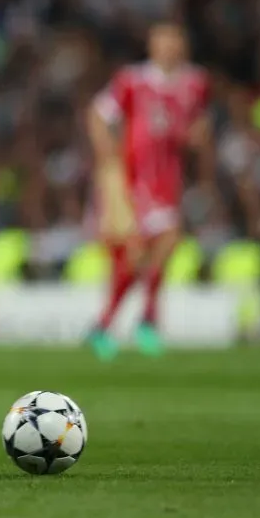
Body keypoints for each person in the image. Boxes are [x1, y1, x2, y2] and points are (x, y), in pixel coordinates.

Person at [87, 22, 212, 360]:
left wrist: (195, 139)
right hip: (135, 178)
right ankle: (143, 322)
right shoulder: (132, 81)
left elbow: (196, 126)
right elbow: (98, 115)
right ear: (152, 46)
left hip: (168, 181)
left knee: (156, 251)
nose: (169, 48)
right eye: (163, 41)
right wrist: (109, 160)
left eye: (175, 41)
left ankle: (108, 325)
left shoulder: (195, 83)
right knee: (148, 248)